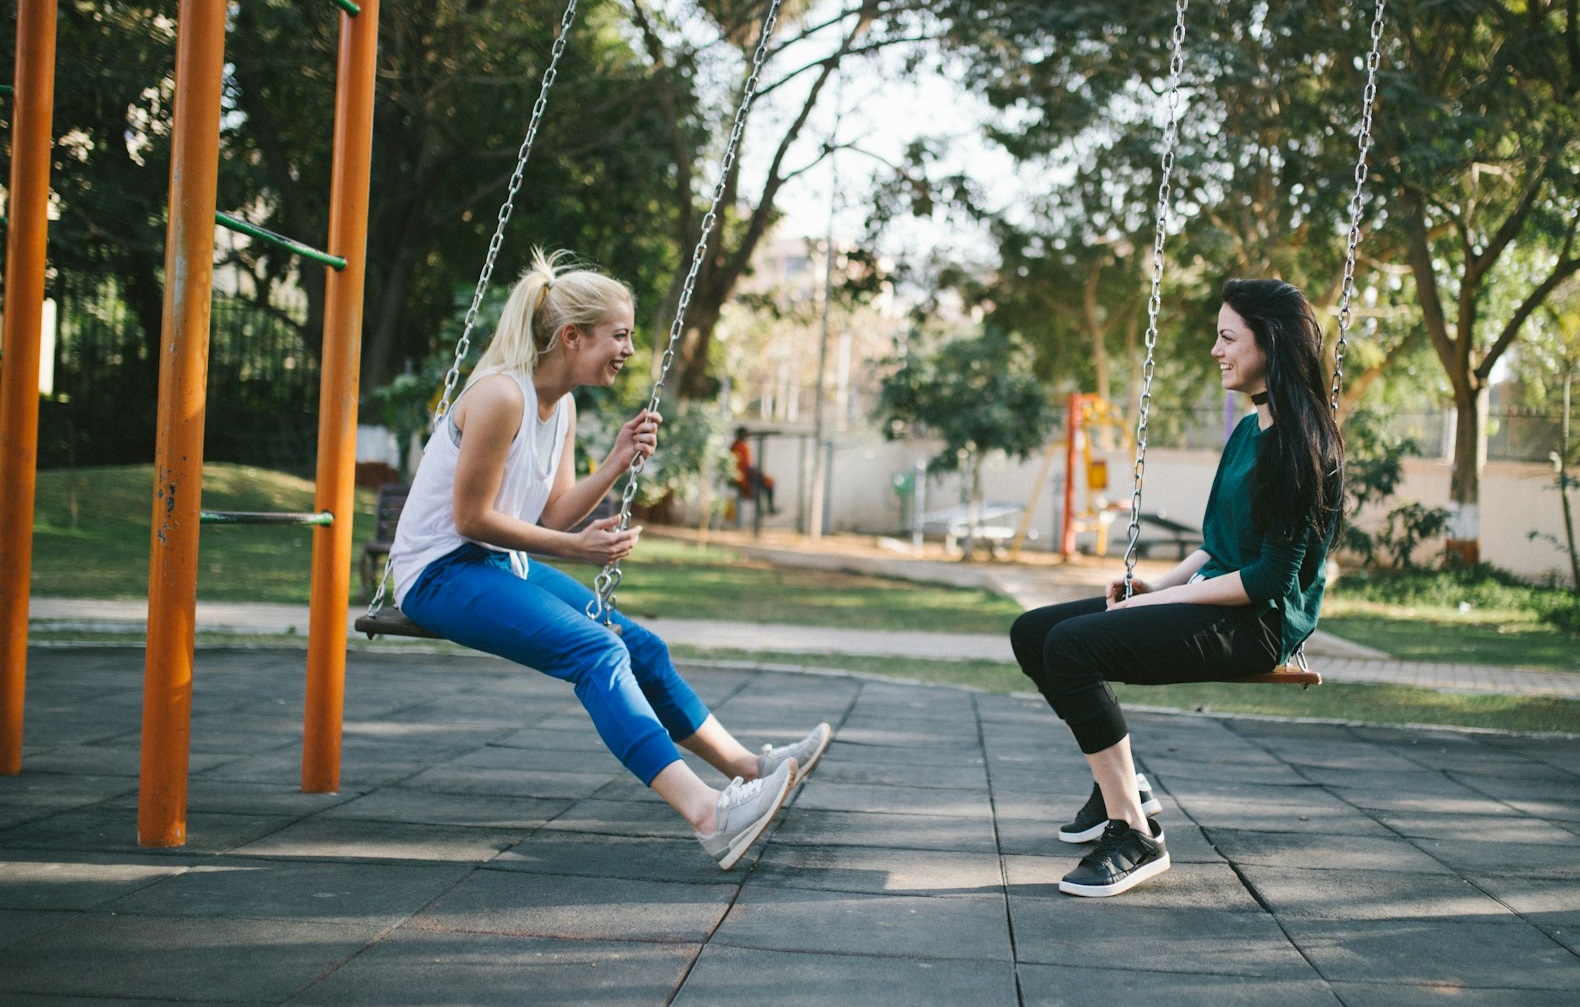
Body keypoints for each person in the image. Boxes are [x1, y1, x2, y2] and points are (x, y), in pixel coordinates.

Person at [389, 248, 832, 870]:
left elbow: (554, 514)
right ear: (572, 337)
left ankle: (751, 768)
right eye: (618, 335)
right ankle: (708, 814)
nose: (627, 349)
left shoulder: (561, 405)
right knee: (597, 651)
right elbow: (471, 520)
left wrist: (617, 461)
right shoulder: (499, 396)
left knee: (640, 645)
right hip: (439, 572)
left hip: (493, 567)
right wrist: (575, 550)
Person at [1009, 278, 1344, 898]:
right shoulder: (1248, 432)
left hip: (1260, 622)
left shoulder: (1301, 445)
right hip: (1218, 593)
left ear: (1269, 343)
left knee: (1073, 648)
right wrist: (1154, 584)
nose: (1216, 350)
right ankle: (1123, 783)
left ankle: (1133, 833)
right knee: (1034, 633)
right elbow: (1217, 543)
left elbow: (1270, 578)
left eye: (1227, 337)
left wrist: (1166, 600)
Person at [729, 427, 777, 514]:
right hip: (743, 476)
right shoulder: (739, 446)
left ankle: (766, 510)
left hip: (744, 474)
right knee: (760, 485)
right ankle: (765, 510)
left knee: (768, 483)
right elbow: (744, 465)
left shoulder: (738, 445)